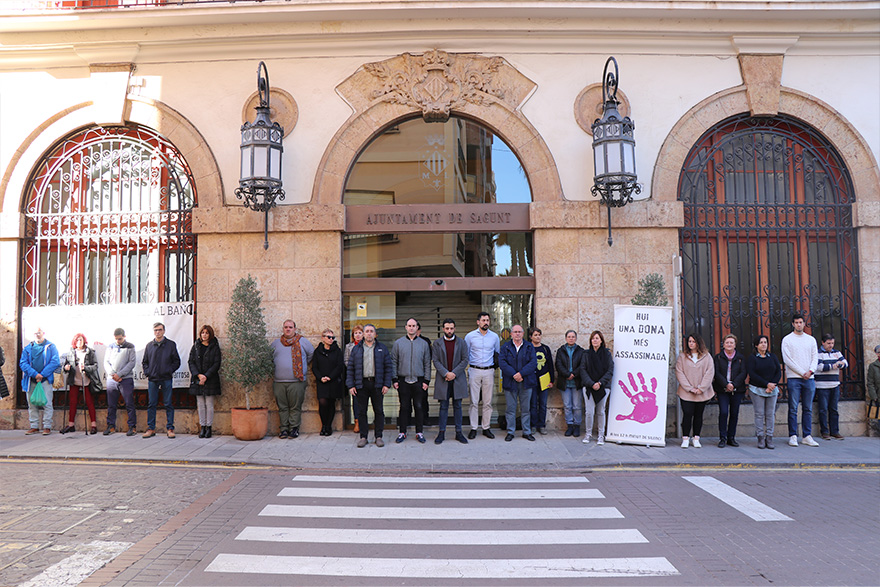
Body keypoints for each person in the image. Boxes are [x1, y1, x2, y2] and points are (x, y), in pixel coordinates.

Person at [347, 324, 392, 447]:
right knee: (362, 411)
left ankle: (378, 436)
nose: (369, 333)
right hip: (361, 384)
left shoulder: (382, 348)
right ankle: (363, 436)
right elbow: (350, 368)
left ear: (375, 334)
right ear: (364, 333)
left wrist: (387, 384)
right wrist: (351, 385)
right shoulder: (356, 349)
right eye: (367, 331)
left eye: (371, 331)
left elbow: (388, 367)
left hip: (377, 384)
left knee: (379, 411)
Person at [781, 313, 820, 447]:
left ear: (804, 323)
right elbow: (787, 360)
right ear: (793, 324)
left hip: (809, 378)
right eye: (796, 322)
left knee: (808, 408)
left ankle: (807, 435)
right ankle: (793, 435)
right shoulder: (787, 339)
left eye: (801, 322)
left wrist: (810, 371)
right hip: (794, 378)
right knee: (793, 408)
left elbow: (815, 357)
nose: (799, 324)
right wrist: (802, 372)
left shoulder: (811, 340)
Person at [271, 320, 314, 439]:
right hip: (279, 382)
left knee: (295, 406)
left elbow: (311, 355)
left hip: (297, 382)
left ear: (295, 329)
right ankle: (283, 429)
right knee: (282, 407)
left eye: (290, 327)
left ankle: (294, 429)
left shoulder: (303, 342)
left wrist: (301, 368)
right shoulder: (275, 344)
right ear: (283, 329)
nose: (288, 329)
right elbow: (269, 359)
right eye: (286, 327)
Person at [391, 317, 431, 444]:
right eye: (409, 325)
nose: (411, 328)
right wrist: (395, 379)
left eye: (414, 326)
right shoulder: (398, 343)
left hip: (419, 381)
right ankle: (402, 432)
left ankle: (419, 432)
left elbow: (427, 363)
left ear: (417, 328)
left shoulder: (424, 344)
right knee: (404, 407)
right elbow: (394, 362)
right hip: (403, 381)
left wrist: (426, 381)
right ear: (406, 327)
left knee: (419, 407)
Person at [431, 319, 469, 444]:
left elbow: (465, 360)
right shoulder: (437, 343)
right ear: (443, 329)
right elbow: (435, 360)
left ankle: (459, 432)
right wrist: (446, 373)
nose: (449, 331)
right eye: (447, 328)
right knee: (443, 406)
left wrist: (454, 373)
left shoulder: (461, 342)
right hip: (443, 379)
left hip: (457, 379)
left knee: (458, 406)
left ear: (454, 329)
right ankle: (441, 433)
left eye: (451, 328)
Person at [675, 333, 715, 448]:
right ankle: (685, 438)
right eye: (689, 341)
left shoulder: (706, 356)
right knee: (687, 414)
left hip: (701, 393)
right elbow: (679, 372)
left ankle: (696, 438)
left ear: (698, 343)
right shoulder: (682, 356)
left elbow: (709, 373)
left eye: (693, 341)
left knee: (698, 415)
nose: (691, 344)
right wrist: (689, 388)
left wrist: (701, 388)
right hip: (686, 392)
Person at [464, 312, 500, 440]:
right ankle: (473, 428)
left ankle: (486, 427)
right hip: (474, 370)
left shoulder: (495, 337)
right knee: (473, 401)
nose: (486, 322)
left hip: (489, 371)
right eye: (483, 320)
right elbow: (466, 354)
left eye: (487, 320)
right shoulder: (470, 336)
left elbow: (497, 353)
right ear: (478, 322)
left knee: (487, 401)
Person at [142, 322, 181, 439]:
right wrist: (148, 372)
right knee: (151, 404)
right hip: (153, 379)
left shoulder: (171, 345)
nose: (157, 332)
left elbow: (177, 361)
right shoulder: (149, 345)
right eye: (155, 330)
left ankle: (170, 428)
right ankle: (151, 428)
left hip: (166, 378)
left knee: (168, 403)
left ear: (164, 331)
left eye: (159, 330)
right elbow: (145, 362)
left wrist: (169, 370)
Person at [19, 328, 60, 435]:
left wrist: (42, 375)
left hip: (45, 380)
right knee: (32, 404)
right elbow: (23, 363)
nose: (37, 334)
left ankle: (47, 426)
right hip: (31, 380)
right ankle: (34, 426)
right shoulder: (27, 348)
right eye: (35, 333)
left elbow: (55, 362)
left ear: (43, 333)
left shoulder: (51, 347)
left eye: (39, 332)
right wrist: (35, 374)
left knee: (47, 403)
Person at [500, 324, 537, 441]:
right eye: (515, 332)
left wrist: (521, 374)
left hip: (526, 382)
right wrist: (514, 374)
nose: (517, 334)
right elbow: (502, 363)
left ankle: (527, 432)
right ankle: (510, 432)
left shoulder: (529, 346)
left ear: (523, 334)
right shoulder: (505, 347)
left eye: (519, 332)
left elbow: (533, 363)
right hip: (510, 382)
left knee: (525, 409)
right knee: (511, 409)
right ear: (511, 334)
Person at [60, 333, 102, 435]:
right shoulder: (71, 352)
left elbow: (95, 366)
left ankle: (93, 425)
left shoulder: (90, 352)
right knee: (72, 402)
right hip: (74, 380)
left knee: (89, 401)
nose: (79, 342)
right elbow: (65, 365)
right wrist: (66, 368)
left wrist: (86, 368)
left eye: (81, 339)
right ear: (74, 342)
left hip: (86, 379)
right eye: (77, 340)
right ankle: (70, 425)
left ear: (84, 341)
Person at [747, 334, 782, 449]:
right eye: (761, 342)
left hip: (772, 390)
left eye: (765, 342)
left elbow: (778, 371)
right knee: (759, 414)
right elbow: (752, 374)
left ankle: (770, 437)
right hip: (757, 389)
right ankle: (760, 437)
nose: (763, 344)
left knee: (770, 414)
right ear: (756, 345)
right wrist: (766, 384)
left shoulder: (772, 357)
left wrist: (772, 385)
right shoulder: (753, 358)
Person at [712, 334, 747, 448]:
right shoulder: (718, 357)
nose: (729, 344)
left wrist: (734, 384)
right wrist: (726, 384)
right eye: (727, 342)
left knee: (734, 413)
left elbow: (743, 373)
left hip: (737, 389)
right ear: (723, 344)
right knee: (723, 412)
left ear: (735, 344)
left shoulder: (741, 358)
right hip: (722, 389)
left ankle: (731, 437)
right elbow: (716, 373)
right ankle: (723, 437)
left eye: (731, 342)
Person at [188, 324, 222, 439]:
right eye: (203, 333)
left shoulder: (214, 346)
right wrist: (198, 375)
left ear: (210, 334)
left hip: (210, 379)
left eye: (207, 333)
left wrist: (206, 376)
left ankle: (209, 427)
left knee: (209, 404)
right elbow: (191, 361)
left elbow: (216, 363)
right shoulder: (196, 346)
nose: (204, 335)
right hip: (198, 378)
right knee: (200, 405)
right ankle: (202, 427)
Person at [582, 330, 613, 446]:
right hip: (589, 387)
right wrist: (591, 383)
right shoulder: (586, 354)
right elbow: (583, 370)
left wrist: (600, 383)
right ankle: (588, 434)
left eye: (597, 338)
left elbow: (610, 370)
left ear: (601, 341)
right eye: (593, 338)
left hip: (603, 387)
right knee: (589, 412)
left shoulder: (607, 354)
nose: (595, 340)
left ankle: (601, 435)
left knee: (600, 411)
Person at [104, 328, 137, 436]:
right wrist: (113, 374)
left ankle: (132, 427)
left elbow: (131, 362)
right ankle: (111, 426)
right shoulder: (110, 347)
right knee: (111, 404)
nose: (118, 341)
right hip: (112, 379)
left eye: (120, 338)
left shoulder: (130, 347)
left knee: (129, 403)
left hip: (125, 379)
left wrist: (120, 374)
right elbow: (106, 362)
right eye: (116, 339)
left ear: (124, 336)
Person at [815, 333, 848, 440]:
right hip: (822, 386)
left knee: (834, 409)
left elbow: (845, 363)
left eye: (832, 343)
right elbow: (818, 367)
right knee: (823, 409)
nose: (831, 345)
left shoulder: (837, 352)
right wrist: (833, 366)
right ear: (823, 343)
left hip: (835, 385)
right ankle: (824, 432)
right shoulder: (818, 353)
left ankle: (835, 431)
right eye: (828, 343)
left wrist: (840, 364)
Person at [312, 328, 344, 436]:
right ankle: (323, 425)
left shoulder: (337, 350)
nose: (331, 339)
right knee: (323, 402)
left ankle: (328, 426)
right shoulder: (318, 351)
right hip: (322, 382)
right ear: (323, 338)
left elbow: (340, 366)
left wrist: (330, 377)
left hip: (333, 381)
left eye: (332, 337)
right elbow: (314, 367)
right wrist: (320, 377)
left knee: (331, 403)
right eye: (328, 337)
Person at [555, 330, 585, 437]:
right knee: (567, 406)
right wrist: (567, 374)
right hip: (565, 382)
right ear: (566, 338)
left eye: (573, 336)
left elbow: (582, 365)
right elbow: (558, 365)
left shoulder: (581, 351)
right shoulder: (561, 350)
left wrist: (574, 374)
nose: (571, 338)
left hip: (577, 383)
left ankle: (577, 426)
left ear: (576, 338)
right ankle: (570, 425)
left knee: (577, 406)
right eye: (569, 336)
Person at [529, 328, 554, 435]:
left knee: (543, 404)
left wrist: (552, 380)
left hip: (544, 380)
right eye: (535, 335)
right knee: (533, 404)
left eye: (539, 335)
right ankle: (533, 425)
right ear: (531, 337)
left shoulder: (545, 348)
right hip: (532, 380)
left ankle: (542, 425)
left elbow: (550, 365)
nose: (538, 337)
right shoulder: (528, 348)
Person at [344, 325, 364, 432]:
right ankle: (357, 422)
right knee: (356, 400)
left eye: (360, 333)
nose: (358, 335)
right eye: (355, 333)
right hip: (355, 376)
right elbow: (346, 361)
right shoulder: (349, 347)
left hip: (366, 376)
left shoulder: (367, 345)